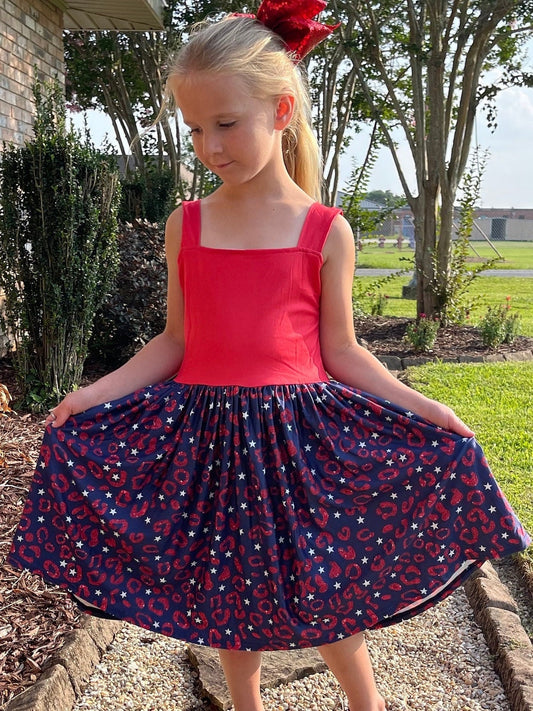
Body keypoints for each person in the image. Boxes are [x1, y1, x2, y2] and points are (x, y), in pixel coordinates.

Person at [9, 2, 530, 710]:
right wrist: (93, 394)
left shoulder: (324, 229)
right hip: (208, 445)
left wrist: (423, 405)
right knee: (226, 592)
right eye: (195, 128)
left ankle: (365, 704)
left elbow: (340, 351)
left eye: (225, 123)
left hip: (295, 447)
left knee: (320, 586)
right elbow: (175, 341)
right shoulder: (186, 224)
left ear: (281, 111)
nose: (209, 145)